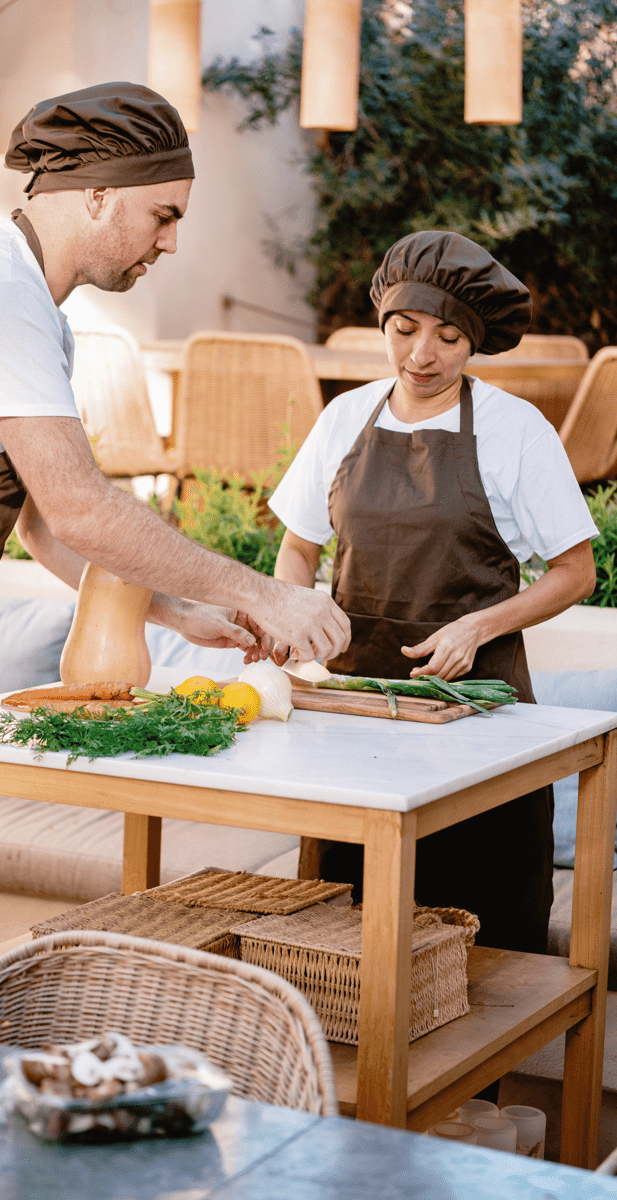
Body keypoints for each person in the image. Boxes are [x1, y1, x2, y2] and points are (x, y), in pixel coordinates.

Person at [0, 82, 350, 924]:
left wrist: (175, 614)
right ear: (97, 195)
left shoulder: (35, 309)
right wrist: (265, 593)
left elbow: (38, 526)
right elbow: (81, 509)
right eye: (163, 215)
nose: (171, 242)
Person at [269, 229, 598, 955]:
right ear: (383, 321)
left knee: (486, 942)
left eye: (448, 338)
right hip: (354, 723)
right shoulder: (344, 417)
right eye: (404, 329)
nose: (421, 355)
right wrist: (292, 620)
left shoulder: (516, 430)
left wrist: (477, 627)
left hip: (480, 721)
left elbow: (577, 572)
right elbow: (297, 548)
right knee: (344, 941)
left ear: (473, 341)